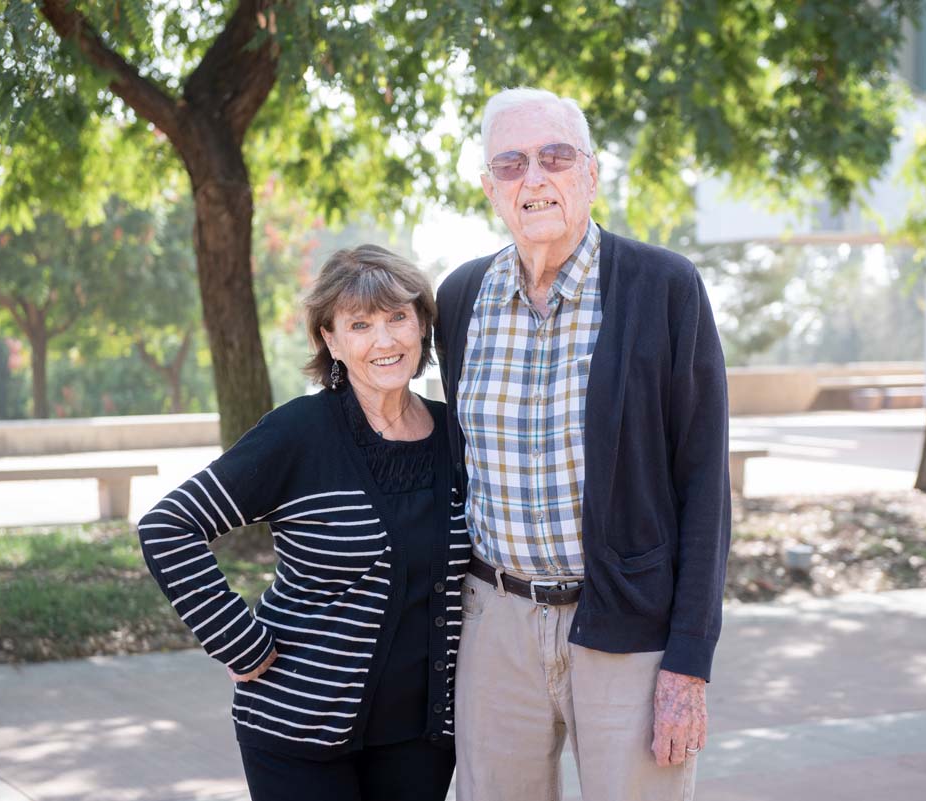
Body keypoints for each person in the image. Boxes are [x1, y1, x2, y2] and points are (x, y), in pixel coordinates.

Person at [435, 87, 731, 801]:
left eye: (554, 157)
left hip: (627, 622)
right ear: (489, 188)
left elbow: (703, 485)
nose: (533, 179)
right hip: (495, 621)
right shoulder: (459, 298)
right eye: (510, 164)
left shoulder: (664, 287)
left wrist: (688, 661)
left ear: (590, 174)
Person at [138, 245, 468, 801]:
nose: (384, 341)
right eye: (360, 324)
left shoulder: (455, 433)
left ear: (422, 326)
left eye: (398, 318)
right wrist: (238, 643)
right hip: (296, 727)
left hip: (421, 739)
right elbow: (168, 526)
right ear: (331, 341)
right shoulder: (299, 433)